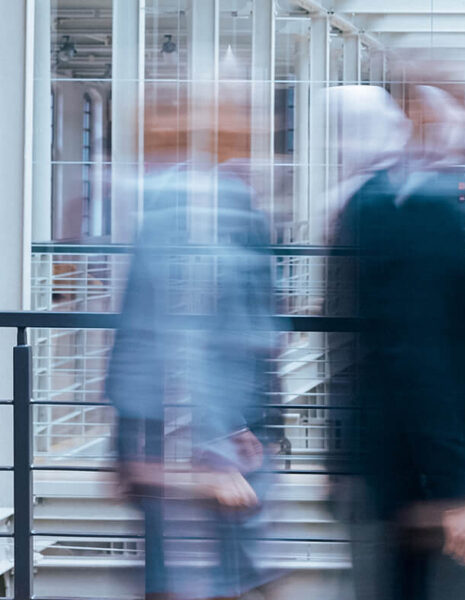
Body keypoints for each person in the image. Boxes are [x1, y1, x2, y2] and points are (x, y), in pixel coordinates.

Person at [106, 72, 282, 600]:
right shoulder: (201, 203)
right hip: (190, 437)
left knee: (201, 572)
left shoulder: (195, 199)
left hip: (193, 432)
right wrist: (210, 444)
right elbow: (172, 334)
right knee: (207, 573)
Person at [325, 84, 465, 600]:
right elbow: (421, 356)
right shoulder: (418, 212)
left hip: (380, 463)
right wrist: (455, 489)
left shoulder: (363, 205)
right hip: (414, 474)